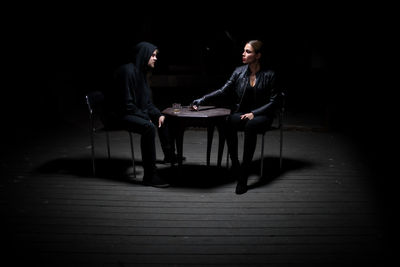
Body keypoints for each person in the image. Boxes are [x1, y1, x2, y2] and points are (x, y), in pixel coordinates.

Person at [191, 40, 282, 194]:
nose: (243, 54)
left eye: (248, 51)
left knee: (251, 125)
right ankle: (235, 163)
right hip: (243, 114)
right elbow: (223, 90)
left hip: (262, 116)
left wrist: (255, 113)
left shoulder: (270, 75)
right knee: (226, 121)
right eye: (243, 51)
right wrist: (203, 99)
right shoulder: (239, 71)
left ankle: (243, 176)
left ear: (258, 55)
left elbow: (275, 102)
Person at [104, 41, 177, 188]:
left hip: (131, 112)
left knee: (164, 117)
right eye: (152, 55)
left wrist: (157, 115)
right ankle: (150, 176)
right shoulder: (127, 71)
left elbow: (147, 104)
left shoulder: (141, 74)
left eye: (156, 56)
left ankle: (169, 156)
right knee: (148, 128)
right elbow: (126, 105)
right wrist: (146, 118)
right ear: (144, 55)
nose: (155, 58)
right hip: (117, 116)